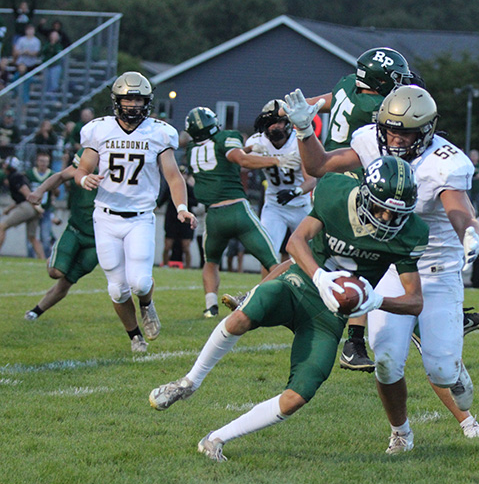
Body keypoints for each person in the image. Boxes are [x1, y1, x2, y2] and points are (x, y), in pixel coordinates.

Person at [149, 156, 428, 462]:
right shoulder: (336, 193)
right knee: (243, 315)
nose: (387, 218)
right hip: (300, 283)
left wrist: (376, 301)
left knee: (299, 394)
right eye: (381, 208)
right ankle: (189, 382)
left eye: (396, 213)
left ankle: (216, 438)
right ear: (363, 196)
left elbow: (415, 301)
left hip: (330, 315)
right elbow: (297, 241)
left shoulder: (411, 233)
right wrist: (319, 276)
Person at [282, 84, 479, 448]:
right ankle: (401, 433)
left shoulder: (444, 161)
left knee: (440, 371)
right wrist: (303, 131)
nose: (395, 138)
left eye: (405, 131)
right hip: (391, 264)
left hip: (436, 269)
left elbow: (458, 207)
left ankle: (452, 366)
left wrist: (469, 232)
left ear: (426, 130)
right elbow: (320, 165)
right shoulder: (369, 141)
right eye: (390, 128)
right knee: (387, 360)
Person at [281, 46, 412, 372]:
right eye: (395, 80)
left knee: (321, 254)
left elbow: (327, 98)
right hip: (355, 185)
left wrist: (304, 105)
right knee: (366, 260)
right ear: (381, 82)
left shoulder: (347, 84)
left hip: (332, 180)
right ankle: (355, 342)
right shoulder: (374, 106)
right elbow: (399, 126)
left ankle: (256, 295)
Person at [74, 71, 197, 353]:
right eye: (128, 99)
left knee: (140, 283)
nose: (132, 105)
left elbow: (174, 176)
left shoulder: (158, 132)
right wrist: (84, 179)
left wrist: (181, 207)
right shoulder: (99, 129)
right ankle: (134, 336)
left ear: (147, 101)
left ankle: (147, 303)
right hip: (105, 216)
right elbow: (82, 168)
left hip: (140, 216)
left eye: (138, 99)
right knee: (117, 289)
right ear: (117, 100)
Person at [183, 106, 281, 318]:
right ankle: (265, 302)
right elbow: (240, 160)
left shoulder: (192, 149)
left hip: (214, 216)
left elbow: (219, 158)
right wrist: (276, 160)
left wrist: (246, 149)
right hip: (237, 210)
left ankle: (210, 307)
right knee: (272, 261)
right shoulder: (227, 136)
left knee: (211, 261)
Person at [24, 148, 98, 320]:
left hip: (99, 239)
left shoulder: (120, 168)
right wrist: (39, 191)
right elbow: (60, 176)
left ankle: (35, 312)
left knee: (67, 281)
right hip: (76, 229)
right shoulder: (86, 157)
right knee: (55, 272)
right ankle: (57, 258)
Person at [246, 100, 316, 264]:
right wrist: (249, 150)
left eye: (279, 121)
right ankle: (263, 289)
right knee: (268, 253)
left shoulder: (299, 142)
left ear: (288, 123)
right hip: (274, 206)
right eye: (270, 123)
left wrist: (294, 192)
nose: (274, 127)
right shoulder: (257, 142)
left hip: (300, 206)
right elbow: (240, 161)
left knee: (309, 254)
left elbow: (311, 180)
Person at [0, 155, 44, 258]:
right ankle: (42, 258)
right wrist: (9, 209)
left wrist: (37, 207)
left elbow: (26, 193)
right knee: (32, 237)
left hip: (29, 207)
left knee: (2, 226)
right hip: (31, 207)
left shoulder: (14, 177)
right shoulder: (17, 176)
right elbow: (20, 198)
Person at [157, 166, 197, 269]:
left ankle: (188, 267)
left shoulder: (190, 189)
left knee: (186, 246)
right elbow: (161, 200)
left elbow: (195, 202)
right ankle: (165, 264)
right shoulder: (170, 189)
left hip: (185, 221)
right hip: (172, 219)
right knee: (168, 245)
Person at [25, 151, 57, 257]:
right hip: (32, 209)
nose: (43, 163)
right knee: (31, 236)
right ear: (37, 161)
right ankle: (31, 256)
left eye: (46, 161)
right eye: (41, 161)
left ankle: (46, 258)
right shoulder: (30, 174)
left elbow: (55, 193)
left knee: (45, 236)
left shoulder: (51, 174)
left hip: (46, 209)